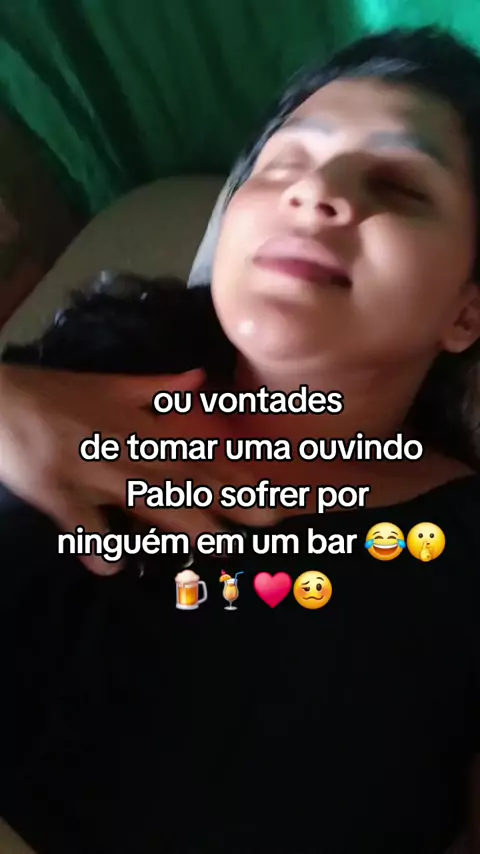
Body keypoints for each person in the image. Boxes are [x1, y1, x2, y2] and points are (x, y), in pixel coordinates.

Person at [0, 25, 480, 854]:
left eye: (401, 185)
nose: (314, 192)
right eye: (284, 163)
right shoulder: (76, 370)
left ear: (466, 313)